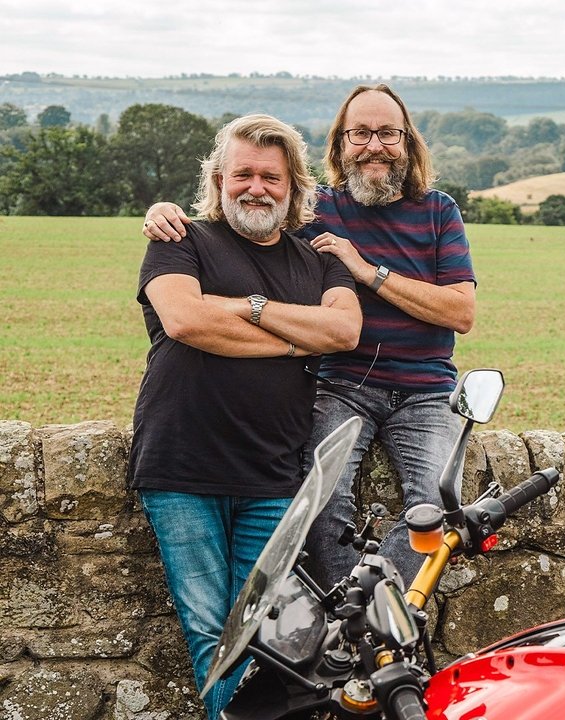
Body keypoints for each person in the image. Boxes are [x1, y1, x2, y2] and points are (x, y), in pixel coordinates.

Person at [143, 84, 477, 592]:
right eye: (359, 133)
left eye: (388, 133)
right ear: (340, 145)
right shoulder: (314, 209)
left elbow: (461, 311)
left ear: (408, 143)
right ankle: (354, 622)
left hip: (427, 390)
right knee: (318, 505)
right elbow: (248, 216)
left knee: (436, 504)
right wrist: (164, 211)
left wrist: (365, 271)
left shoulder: (438, 211)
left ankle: (369, 609)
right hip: (340, 385)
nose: (374, 145)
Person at [130, 114, 361, 718]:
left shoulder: (318, 259)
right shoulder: (180, 238)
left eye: (270, 176)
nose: (255, 187)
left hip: (274, 472)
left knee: (262, 635)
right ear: (218, 178)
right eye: (242, 174)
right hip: (182, 466)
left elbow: (343, 329)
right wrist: (291, 333)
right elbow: (186, 321)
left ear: (292, 187)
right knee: (212, 631)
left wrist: (243, 310)